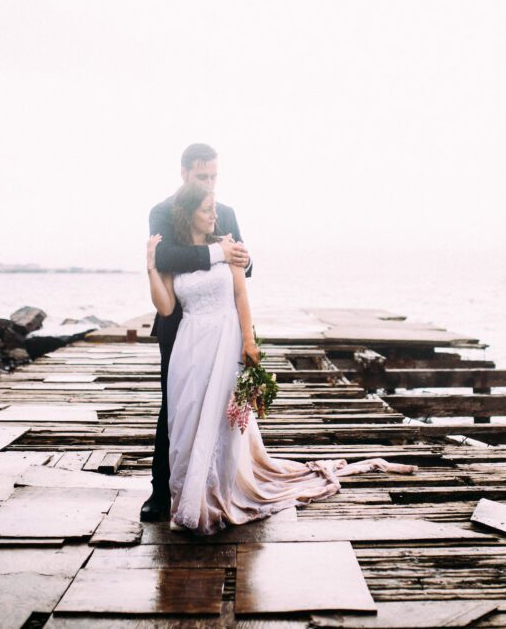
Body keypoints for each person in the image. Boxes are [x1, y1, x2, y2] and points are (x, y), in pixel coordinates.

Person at [146, 181, 416, 536]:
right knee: (184, 422)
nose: (216, 214)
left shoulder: (227, 247)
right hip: (188, 345)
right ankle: (186, 498)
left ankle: (217, 495)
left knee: (223, 421)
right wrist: (151, 266)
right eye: (207, 209)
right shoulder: (175, 256)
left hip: (224, 341)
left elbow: (241, 296)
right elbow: (166, 307)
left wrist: (248, 341)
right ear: (190, 213)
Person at [141, 143, 251, 522]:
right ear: (184, 172)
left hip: (222, 330)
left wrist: (243, 258)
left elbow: (244, 269)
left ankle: (216, 486)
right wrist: (220, 252)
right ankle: (162, 490)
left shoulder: (226, 213)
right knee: (175, 406)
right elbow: (168, 257)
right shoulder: (163, 212)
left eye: (214, 176)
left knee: (221, 405)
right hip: (179, 323)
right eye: (202, 176)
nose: (209, 183)